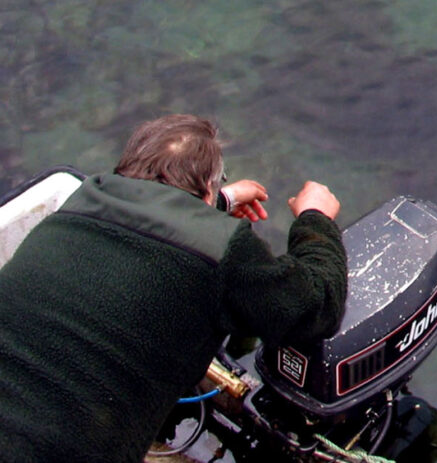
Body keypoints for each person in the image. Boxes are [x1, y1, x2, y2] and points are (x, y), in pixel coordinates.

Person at [0, 114, 349, 463]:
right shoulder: (223, 250)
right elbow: (318, 306)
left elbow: (147, 216)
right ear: (208, 186)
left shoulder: (78, 205)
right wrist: (315, 218)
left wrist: (219, 204)